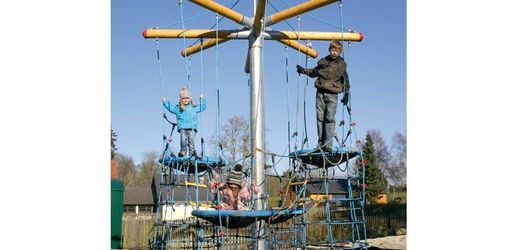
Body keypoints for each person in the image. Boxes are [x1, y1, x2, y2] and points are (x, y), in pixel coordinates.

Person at [296, 40, 350, 151]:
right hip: (320, 93)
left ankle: (328, 144)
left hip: (332, 94)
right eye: (333, 50)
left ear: (340, 52)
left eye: (337, 51)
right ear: (330, 49)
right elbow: (314, 72)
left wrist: (346, 94)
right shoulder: (323, 62)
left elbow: (345, 80)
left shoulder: (342, 65)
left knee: (329, 118)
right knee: (320, 118)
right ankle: (321, 143)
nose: (335, 52)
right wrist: (303, 71)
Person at [161, 86, 206, 157]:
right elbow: (171, 108)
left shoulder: (193, 107)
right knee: (183, 140)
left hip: (192, 127)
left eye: (187, 98)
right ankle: (183, 151)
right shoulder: (179, 108)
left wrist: (202, 99)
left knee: (191, 141)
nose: (185, 100)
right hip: (182, 127)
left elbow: (202, 107)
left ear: (189, 98)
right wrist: (165, 101)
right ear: (181, 99)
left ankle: (192, 154)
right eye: (183, 98)